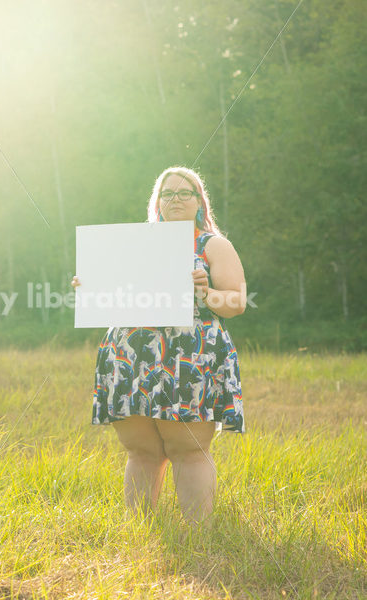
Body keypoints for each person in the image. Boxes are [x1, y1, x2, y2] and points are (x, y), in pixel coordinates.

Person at [71, 166, 246, 526]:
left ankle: (198, 536)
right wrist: (90, 286)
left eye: (185, 193)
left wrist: (206, 292)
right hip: (129, 357)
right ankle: (141, 533)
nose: (176, 199)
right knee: (142, 450)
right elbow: (114, 293)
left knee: (187, 449)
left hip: (189, 357)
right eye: (168, 194)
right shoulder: (133, 244)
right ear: (158, 202)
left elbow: (237, 302)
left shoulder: (212, 245)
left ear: (200, 201)